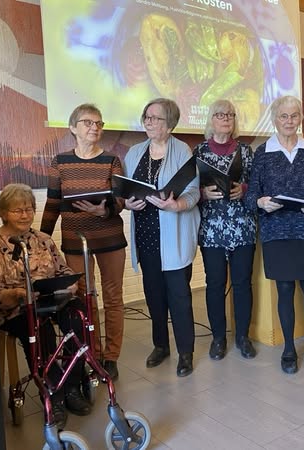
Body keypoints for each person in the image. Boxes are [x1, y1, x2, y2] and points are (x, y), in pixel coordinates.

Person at [0, 183, 92, 429]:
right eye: (18, 210)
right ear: (3, 213)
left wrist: (70, 284)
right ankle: (54, 394)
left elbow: (63, 270)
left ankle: (72, 385)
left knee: (78, 316)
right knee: (40, 328)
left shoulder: (42, 239)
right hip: (17, 308)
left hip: (51, 300)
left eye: (29, 209)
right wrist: (19, 293)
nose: (25, 215)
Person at [244, 95, 304, 375]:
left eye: (294, 116)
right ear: (274, 119)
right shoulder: (263, 153)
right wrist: (261, 202)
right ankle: (289, 349)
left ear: (301, 119)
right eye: (284, 116)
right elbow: (251, 196)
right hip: (277, 233)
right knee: (284, 289)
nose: (289, 121)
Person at [40, 103, 126, 381]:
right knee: (84, 297)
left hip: (110, 238)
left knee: (113, 297)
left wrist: (105, 210)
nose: (94, 127)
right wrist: (42, 239)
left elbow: (121, 199)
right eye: (88, 122)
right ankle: (92, 352)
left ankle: (111, 357)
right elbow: (53, 203)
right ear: (73, 128)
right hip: (75, 240)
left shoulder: (111, 160)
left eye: (99, 123)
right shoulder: (60, 162)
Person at [123, 98, 200, 377]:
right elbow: (126, 190)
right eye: (147, 116)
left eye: (155, 118)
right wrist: (127, 203)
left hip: (174, 236)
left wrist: (177, 205)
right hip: (146, 236)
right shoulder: (134, 152)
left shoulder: (182, 150)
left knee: (179, 297)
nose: (149, 121)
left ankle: (186, 352)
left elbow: (193, 191)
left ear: (170, 124)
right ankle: (161, 345)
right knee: (154, 296)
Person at [194, 99, 257, 361]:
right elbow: (188, 190)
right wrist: (202, 193)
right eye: (220, 114)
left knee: (242, 284)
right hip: (211, 230)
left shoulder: (246, 151)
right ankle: (218, 338)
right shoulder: (199, 152)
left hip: (242, 227)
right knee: (215, 284)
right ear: (211, 119)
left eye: (230, 114)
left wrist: (243, 189)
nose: (226, 118)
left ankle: (243, 337)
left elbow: (258, 185)